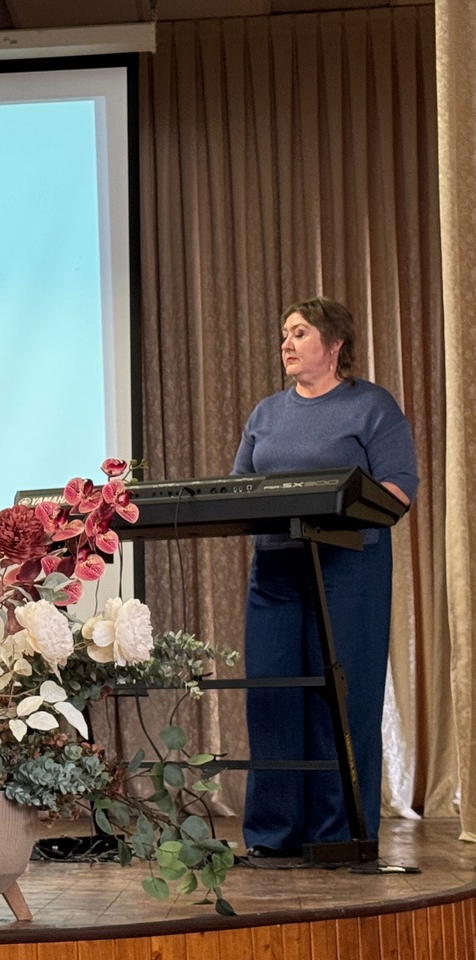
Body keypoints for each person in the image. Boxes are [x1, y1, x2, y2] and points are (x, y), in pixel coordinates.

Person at [231, 296, 418, 857]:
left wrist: (331, 509)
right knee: (273, 697)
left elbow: (398, 489)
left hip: (348, 569)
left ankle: (338, 835)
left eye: (300, 333)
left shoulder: (371, 406)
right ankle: (274, 835)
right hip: (276, 572)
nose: (286, 343)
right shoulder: (266, 413)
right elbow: (240, 488)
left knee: (341, 699)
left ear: (334, 345)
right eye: (285, 333)